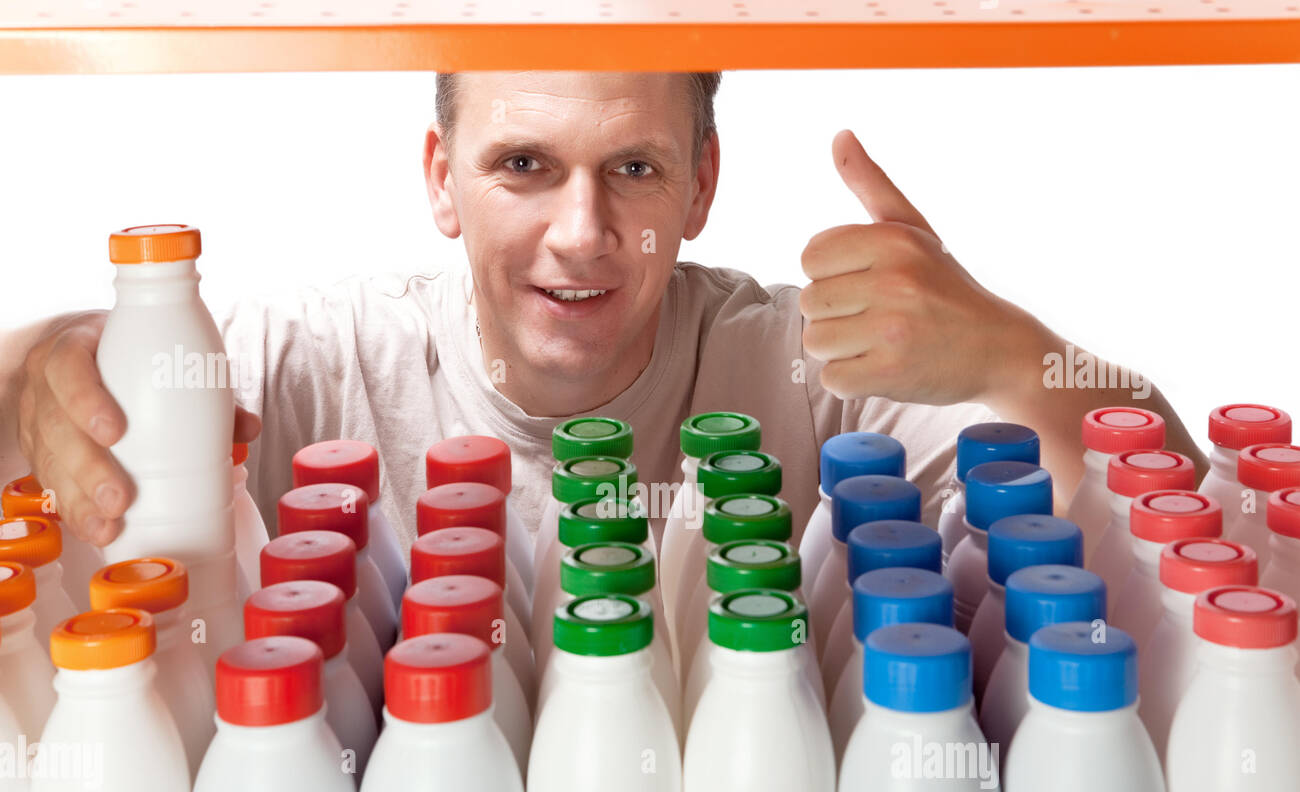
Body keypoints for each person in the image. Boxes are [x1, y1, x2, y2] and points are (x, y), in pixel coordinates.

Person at [0, 71, 1204, 559]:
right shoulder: (321, 365)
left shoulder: (811, 367)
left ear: (702, 184)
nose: (580, 231)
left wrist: (1010, 349)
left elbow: (1173, 506)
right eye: (523, 165)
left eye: (631, 169)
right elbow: (30, 400)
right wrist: (37, 373)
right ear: (439, 180)